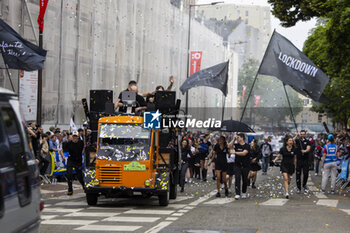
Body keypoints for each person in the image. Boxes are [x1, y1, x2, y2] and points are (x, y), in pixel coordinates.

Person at [233, 133, 250, 200]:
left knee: (245, 179)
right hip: (237, 165)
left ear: (242, 138)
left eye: (238, 137)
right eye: (237, 138)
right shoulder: (236, 145)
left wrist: (235, 152)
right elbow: (229, 146)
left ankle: (243, 192)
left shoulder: (247, 146)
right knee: (237, 178)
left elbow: (244, 153)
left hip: (245, 165)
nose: (237, 139)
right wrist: (233, 138)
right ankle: (237, 193)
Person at [295, 130, 311, 194]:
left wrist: (304, 151)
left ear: (305, 135)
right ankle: (298, 188)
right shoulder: (297, 140)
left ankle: (304, 185)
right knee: (298, 174)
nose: (302, 135)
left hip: (305, 160)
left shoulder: (307, 141)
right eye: (301, 134)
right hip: (299, 160)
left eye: (303, 134)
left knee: (306, 173)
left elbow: (308, 148)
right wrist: (296, 136)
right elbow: (291, 141)